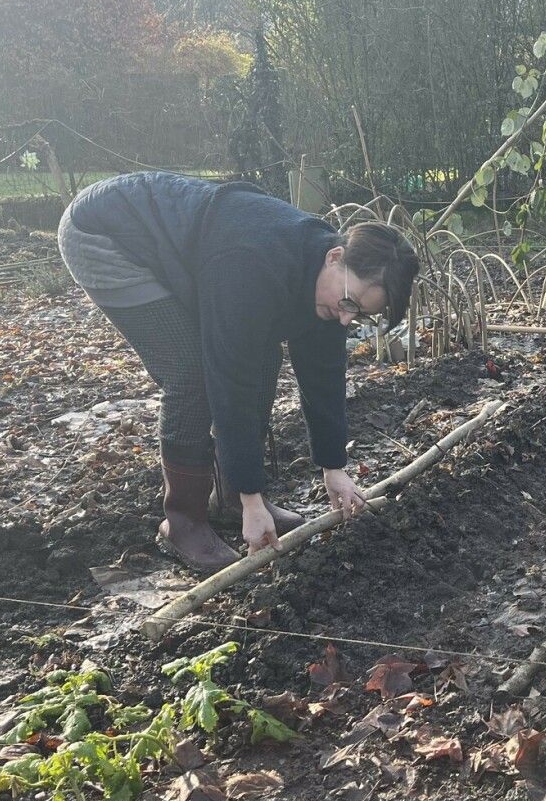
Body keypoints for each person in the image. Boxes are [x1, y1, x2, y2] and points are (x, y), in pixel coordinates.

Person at [56, 172, 419, 573]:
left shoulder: (327, 284)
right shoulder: (252, 263)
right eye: (348, 302)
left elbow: (324, 375)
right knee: (191, 373)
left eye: (361, 313)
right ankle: (182, 521)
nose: (347, 318)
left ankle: (229, 498)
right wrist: (254, 497)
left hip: (190, 246)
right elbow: (228, 377)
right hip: (107, 234)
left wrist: (334, 467)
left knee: (264, 358)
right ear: (334, 256)